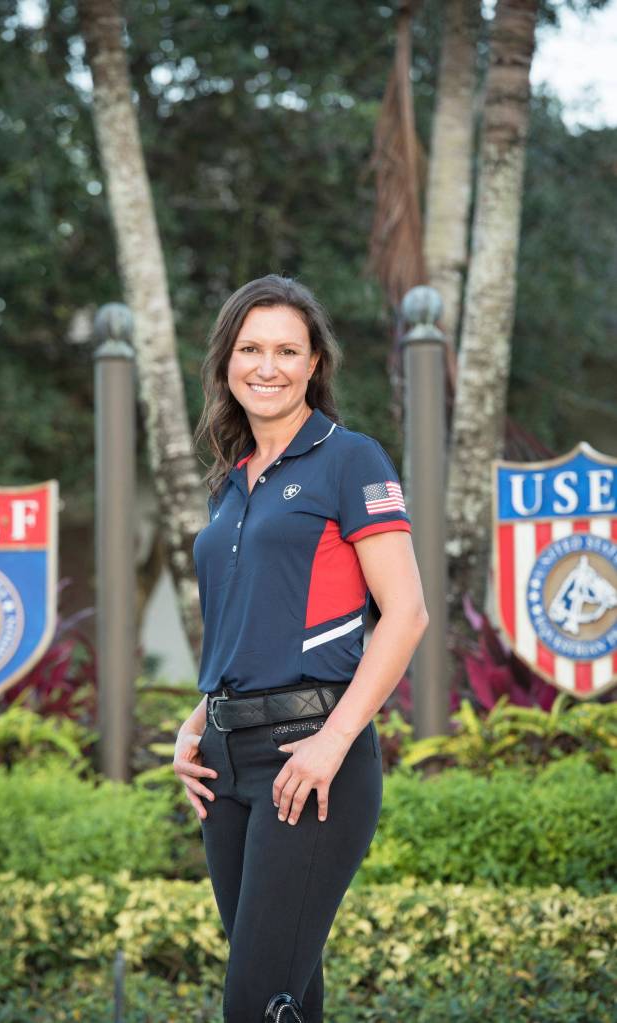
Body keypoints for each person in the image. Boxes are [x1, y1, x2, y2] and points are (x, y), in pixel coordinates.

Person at [174, 274, 428, 1023]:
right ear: (226, 361)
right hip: (224, 764)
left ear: (315, 363)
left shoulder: (350, 459)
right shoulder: (230, 483)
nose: (267, 366)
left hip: (310, 756)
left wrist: (333, 742)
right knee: (286, 996)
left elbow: (406, 614)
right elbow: (250, 622)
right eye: (250, 349)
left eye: (287, 350)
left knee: (256, 1001)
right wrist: (199, 720)